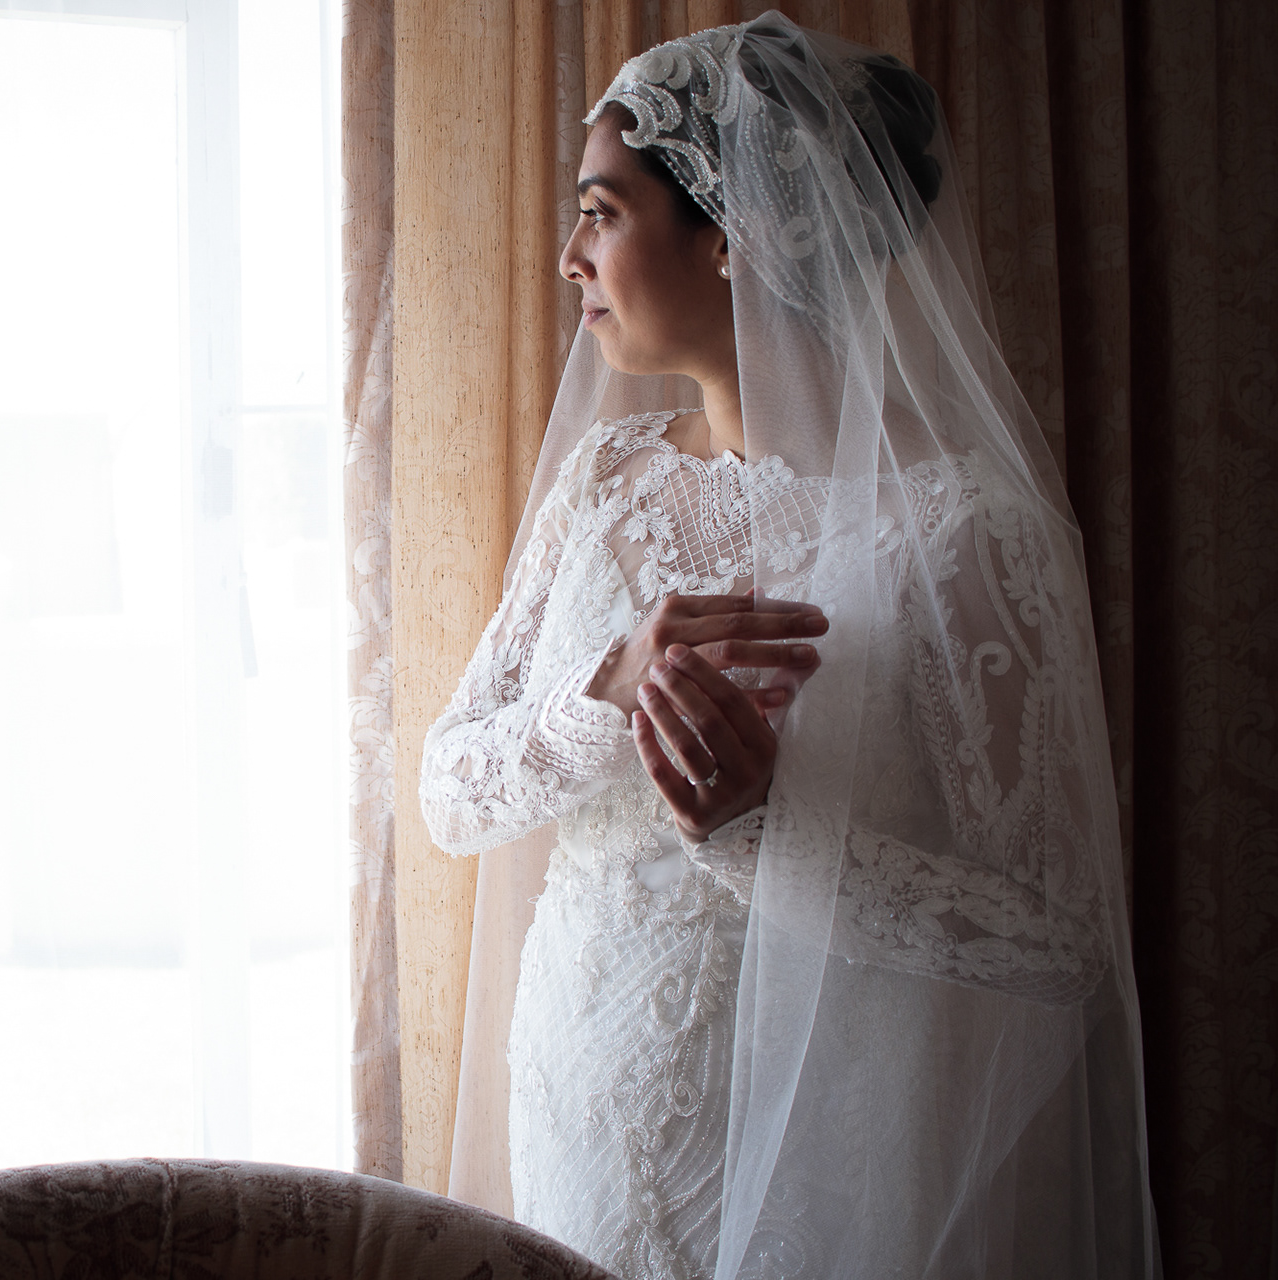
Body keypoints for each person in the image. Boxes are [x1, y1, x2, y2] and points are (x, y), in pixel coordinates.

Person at [418, 13, 1158, 1279]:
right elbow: (448, 791)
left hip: (806, 1151)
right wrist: (599, 695)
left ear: (735, 233)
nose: (569, 258)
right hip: (573, 1106)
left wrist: (761, 835)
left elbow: (1056, 941)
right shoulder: (604, 480)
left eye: (602, 213)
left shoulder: (959, 524)